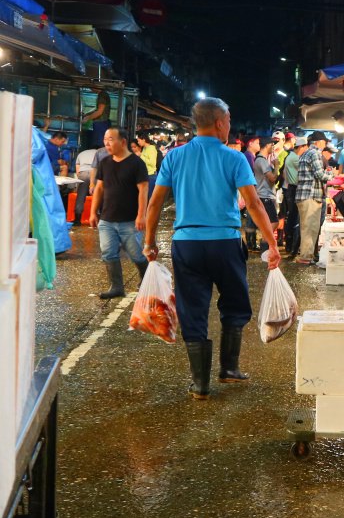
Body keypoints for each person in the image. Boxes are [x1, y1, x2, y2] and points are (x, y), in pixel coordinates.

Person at [143, 97, 279, 400]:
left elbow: (155, 203)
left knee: (193, 309)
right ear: (219, 122)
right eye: (228, 119)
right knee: (235, 303)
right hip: (225, 243)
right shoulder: (233, 159)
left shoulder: (175, 157)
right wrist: (271, 241)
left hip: (187, 244)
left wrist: (149, 241)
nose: (230, 125)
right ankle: (229, 368)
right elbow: (254, 204)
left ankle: (201, 384)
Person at [89, 127, 149, 299]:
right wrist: (93, 212)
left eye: (111, 139)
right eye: (105, 139)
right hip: (107, 219)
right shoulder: (105, 163)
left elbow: (143, 189)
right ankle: (116, 287)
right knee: (108, 253)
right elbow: (99, 188)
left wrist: (141, 215)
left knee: (136, 254)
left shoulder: (137, 163)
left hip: (129, 220)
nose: (106, 143)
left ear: (123, 142)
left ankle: (145, 279)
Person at [294, 131, 335, 263]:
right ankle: (305, 257)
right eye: (324, 142)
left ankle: (307, 256)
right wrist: (332, 175)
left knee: (309, 227)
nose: (325, 145)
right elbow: (320, 175)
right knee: (309, 228)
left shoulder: (307, 153)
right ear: (318, 142)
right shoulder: (315, 153)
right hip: (310, 196)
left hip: (306, 195)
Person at [251, 138, 280, 252]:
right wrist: (277, 166)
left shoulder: (261, 160)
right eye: (272, 144)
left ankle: (265, 245)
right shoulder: (261, 161)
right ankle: (264, 243)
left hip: (265, 195)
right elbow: (272, 178)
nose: (273, 147)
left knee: (269, 222)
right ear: (267, 145)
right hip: (265, 196)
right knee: (274, 222)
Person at [281, 136, 308, 258]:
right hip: (294, 189)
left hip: (290, 189)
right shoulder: (296, 158)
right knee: (295, 219)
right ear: (301, 147)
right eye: (305, 147)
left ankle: (290, 246)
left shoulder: (291, 156)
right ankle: (292, 247)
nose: (306, 151)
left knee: (292, 218)